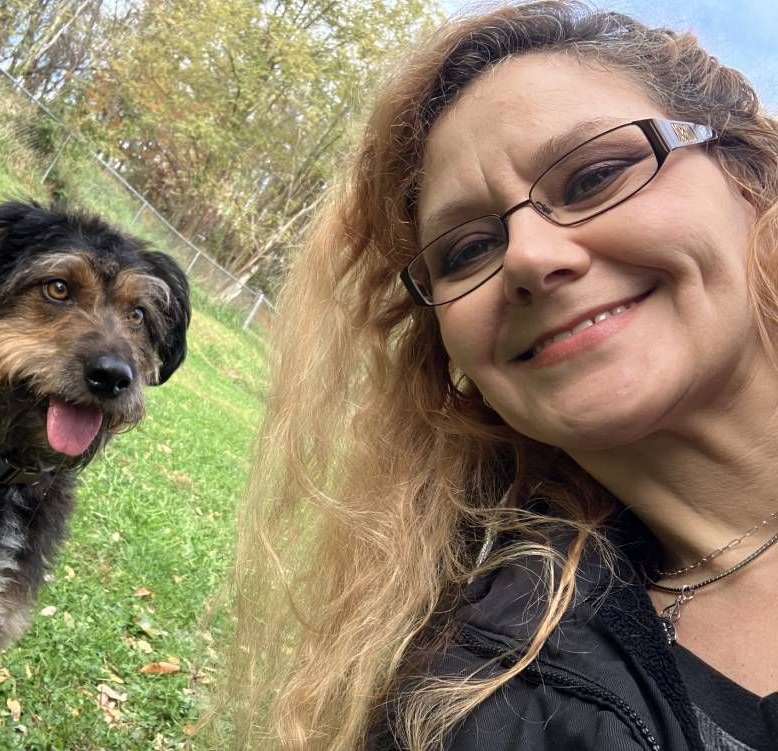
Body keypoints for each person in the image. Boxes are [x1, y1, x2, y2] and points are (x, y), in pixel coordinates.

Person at [221, 1, 778, 749]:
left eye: (596, 175)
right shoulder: (470, 701)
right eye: (466, 250)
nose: (526, 256)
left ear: (749, 179)